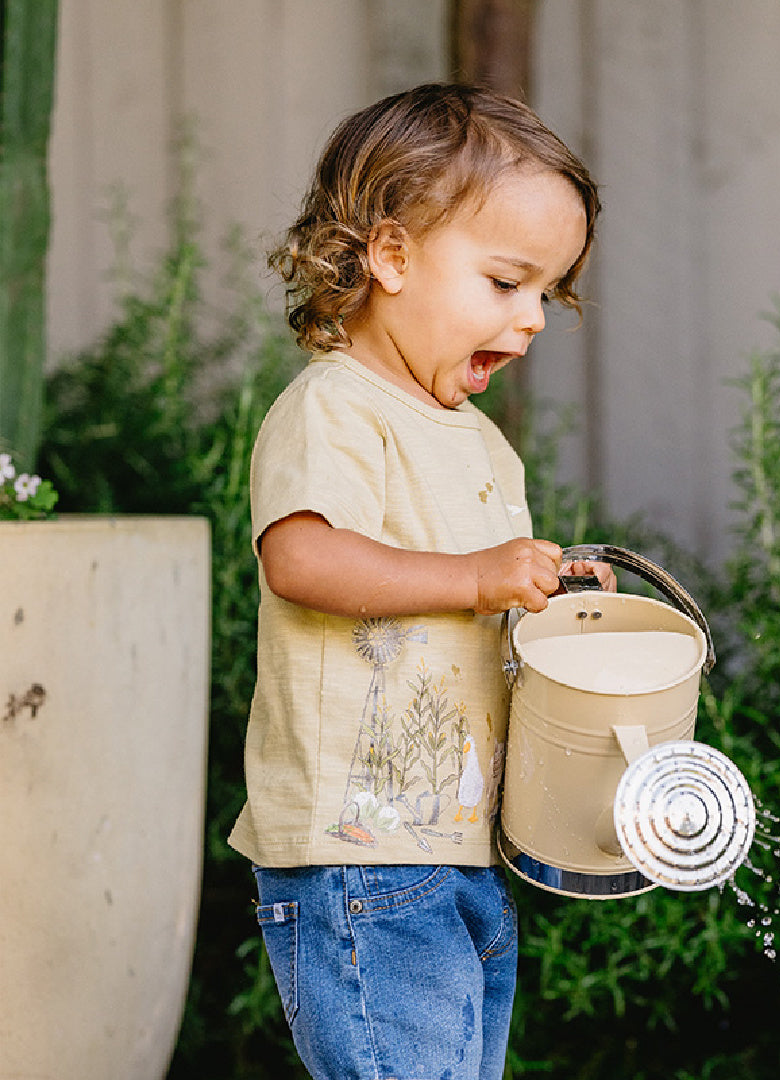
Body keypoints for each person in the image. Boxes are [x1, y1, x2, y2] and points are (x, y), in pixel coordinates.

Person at [227, 82, 612, 1080]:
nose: (532, 319)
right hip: (362, 852)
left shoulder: (477, 442)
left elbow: (467, 612)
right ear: (391, 257)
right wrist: (479, 575)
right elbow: (301, 559)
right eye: (507, 282)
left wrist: (543, 598)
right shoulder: (336, 410)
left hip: (455, 846)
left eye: (548, 294)